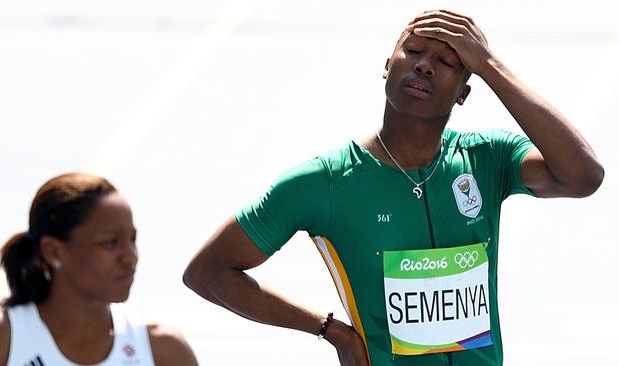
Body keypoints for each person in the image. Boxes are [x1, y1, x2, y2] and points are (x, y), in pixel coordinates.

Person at [183, 9, 604, 366]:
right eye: (414, 50)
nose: (423, 65)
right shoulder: (325, 182)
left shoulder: (490, 158)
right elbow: (208, 272)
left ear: (464, 93)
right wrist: (329, 330)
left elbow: (583, 175)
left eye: (448, 61)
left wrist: (490, 65)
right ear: (388, 64)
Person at [0, 172, 198, 366]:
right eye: (110, 242)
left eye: (132, 239)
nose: (131, 257)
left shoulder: (166, 352)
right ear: (53, 251)